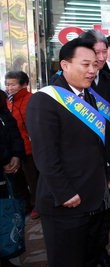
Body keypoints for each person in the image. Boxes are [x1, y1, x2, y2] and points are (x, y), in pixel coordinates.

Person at [26, 38, 110, 267]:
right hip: (65, 202)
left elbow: (97, 144)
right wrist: (64, 193)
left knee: (90, 256)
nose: (92, 70)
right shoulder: (44, 100)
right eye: (86, 65)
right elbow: (45, 155)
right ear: (65, 65)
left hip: (94, 196)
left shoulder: (89, 96)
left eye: (95, 64)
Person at [77, 30, 110, 267]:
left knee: (106, 208)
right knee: (88, 213)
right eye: (97, 52)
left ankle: (101, 252)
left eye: (105, 51)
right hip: (85, 160)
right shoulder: (65, 87)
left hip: (109, 151)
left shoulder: (106, 79)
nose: (101, 57)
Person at [5, 71, 38, 219]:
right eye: (7, 84)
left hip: (30, 148)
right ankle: (26, 205)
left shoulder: (31, 99)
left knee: (34, 179)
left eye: (12, 84)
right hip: (15, 149)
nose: (9, 87)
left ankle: (38, 205)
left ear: (23, 84)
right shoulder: (7, 101)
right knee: (19, 181)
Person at [1, 89, 26, 267]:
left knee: (6, 214)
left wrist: (16, 156)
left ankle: (6, 253)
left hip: (6, 172)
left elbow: (13, 130)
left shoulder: (1, 101)